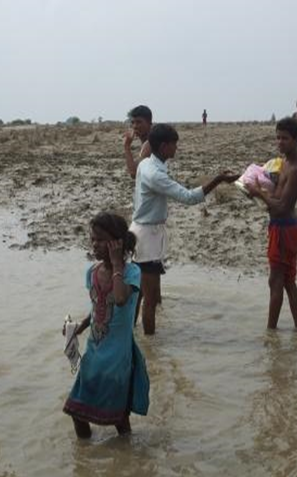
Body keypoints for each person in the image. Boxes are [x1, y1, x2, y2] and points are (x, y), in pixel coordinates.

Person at [131, 123, 239, 335]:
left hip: (140, 232)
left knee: (140, 294)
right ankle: (151, 349)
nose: (176, 149)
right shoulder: (156, 175)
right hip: (148, 238)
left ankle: (130, 333)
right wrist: (218, 179)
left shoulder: (146, 164)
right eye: (174, 145)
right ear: (163, 147)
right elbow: (189, 198)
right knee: (150, 300)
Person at [63, 212, 149, 438]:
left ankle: (127, 455)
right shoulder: (91, 272)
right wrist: (79, 327)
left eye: (100, 240)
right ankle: (87, 456)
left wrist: (117, 263)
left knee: (119, 417)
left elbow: (120, 299)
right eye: (92, 239)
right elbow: (97, 306)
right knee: (76, 410)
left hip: (117, 357)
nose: (95, 245)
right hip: (95, 351)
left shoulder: (131, 272)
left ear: (117, 242)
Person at [246, 118, 297, 330]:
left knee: (276, 280)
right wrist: (255, 190)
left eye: (285, 138)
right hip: (282, 225)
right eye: (278, 138)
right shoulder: (284, 163)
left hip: (284, 227)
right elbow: (276, 195)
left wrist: (259, 194)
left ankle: (271, 331)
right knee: (288, 280)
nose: (280, 142)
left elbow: (282, 206)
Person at [123, 105, 153, 179]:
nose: (135, 126)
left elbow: (134, 173)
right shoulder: (146, 143)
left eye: (139, 122)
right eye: (133, 122)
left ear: (149, 124)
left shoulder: (150, 144)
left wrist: (127, 146)